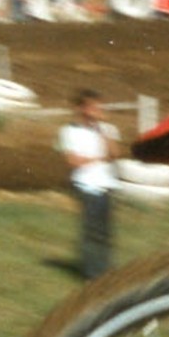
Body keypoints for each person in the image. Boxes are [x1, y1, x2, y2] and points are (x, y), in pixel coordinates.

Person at [58, 90, 120, 278]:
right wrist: (101, 158)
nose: (97, 110)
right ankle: (92, 273)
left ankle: (106, 271)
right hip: (85, 184)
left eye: (99, 107)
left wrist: (101, 129)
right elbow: (73, 161)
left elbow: (115, 153)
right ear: (80, 109)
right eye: (92, 107)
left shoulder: (108, 129)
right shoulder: (68, 131)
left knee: (105, 231)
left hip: (105, 184)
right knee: (92, 230)